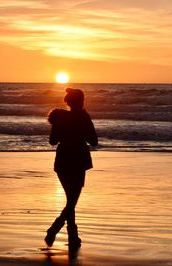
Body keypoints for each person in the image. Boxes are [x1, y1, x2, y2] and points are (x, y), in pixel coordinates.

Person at [45, 88, 98, 249]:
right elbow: (94, 141)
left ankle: (72, 236)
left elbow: (53, 141)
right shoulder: (84, 117)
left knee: (70, 199)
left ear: (68, 101)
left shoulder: (60, 117)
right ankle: (56, 228)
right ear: (81, 101)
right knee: (72, 200)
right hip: (78, 160)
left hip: (62, 160)